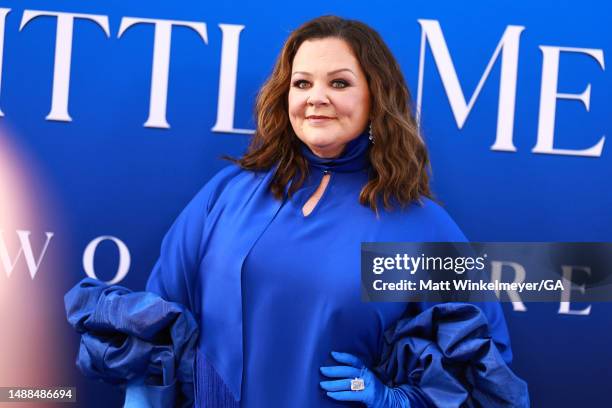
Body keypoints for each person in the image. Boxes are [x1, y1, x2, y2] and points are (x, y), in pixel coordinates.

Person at [66, 15, 528, 407]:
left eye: (340, 83)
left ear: (376, 98)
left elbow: (482, 371)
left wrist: (393, 399)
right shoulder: (228, 194)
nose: (316, 97)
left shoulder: (422, 226)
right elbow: (159, 322)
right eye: (302, 82)